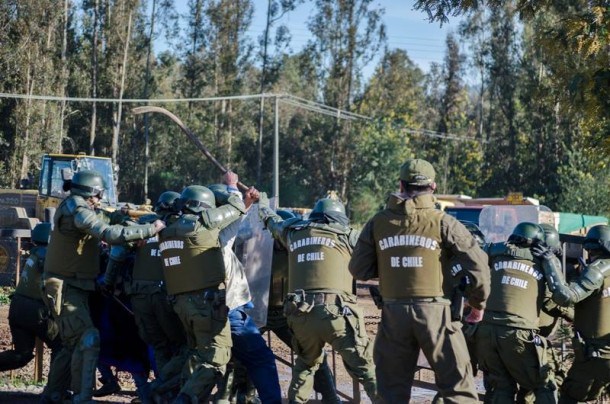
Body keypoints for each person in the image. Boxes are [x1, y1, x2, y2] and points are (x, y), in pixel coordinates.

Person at [349, 158, 490, 403]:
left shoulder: (377, 222)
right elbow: (478, 266)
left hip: (393, 314)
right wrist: (477, 305)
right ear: (433, 187)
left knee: (391, 393)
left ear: (400, 185)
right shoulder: (444, 222)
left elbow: (358, 269)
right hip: (436, 314)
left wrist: (392, 266)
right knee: (458, 389)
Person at [42, 169, 165, 404]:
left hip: (74, 284)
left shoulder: (79, 207)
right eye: (98, 194)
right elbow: (107, 233)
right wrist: (150, 230)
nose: (99, 199)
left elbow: (110, 219)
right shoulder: (77, 210)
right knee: (88, 339)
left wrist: (131, 219)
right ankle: (82, 397)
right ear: (90, 193)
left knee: (71, 344)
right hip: (65, 286)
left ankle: (54, 393)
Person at [259, 195, 377, 403]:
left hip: (300, 315)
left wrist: (261, 202)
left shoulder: (293, 233)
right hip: (337, 315)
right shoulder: (348, 235)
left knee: (305, 365)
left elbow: (272, 221)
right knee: (365, 370)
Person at [158, 184, 246, 403]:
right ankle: (185, 398)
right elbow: (238, 205)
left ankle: (161, 390)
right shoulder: (203, 225)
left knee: (195, 353)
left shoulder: (167, 229)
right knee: (217, 356)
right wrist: (227, 190)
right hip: (206, 304)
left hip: (181, 304)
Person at [208, 174, 282, 404]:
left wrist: (246, 202)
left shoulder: (185, 232)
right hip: (229, 309)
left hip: (197, 309)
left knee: (201, 359)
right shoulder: (217, 237)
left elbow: (234, 220)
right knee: (261, 359)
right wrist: (232, 186)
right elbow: (231, 222)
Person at [260, 209, 340, 404]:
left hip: (288, 314)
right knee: (244, 357)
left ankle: (330, 397)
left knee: (313, 357)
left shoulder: (298, 250)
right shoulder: (259, 250)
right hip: (260, 312)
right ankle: (239, 395)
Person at [475, 222, 558, 403]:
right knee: (544, 385)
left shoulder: (496, 254)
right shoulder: (542, 262)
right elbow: (556, 301)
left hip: (487, 331)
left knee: (502, 387)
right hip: (518, 333)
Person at [534, 224, 610, 403]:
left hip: (595, 356)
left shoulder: (596, 270)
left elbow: (565, 297)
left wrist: (550, 262)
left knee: (569, 396)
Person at [0, 222, 62, 372]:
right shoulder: (46, 255)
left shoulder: (34, 253)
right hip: (36, 310)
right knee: (62, 347)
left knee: (22, 354)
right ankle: (56, 390)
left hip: (17, 306)